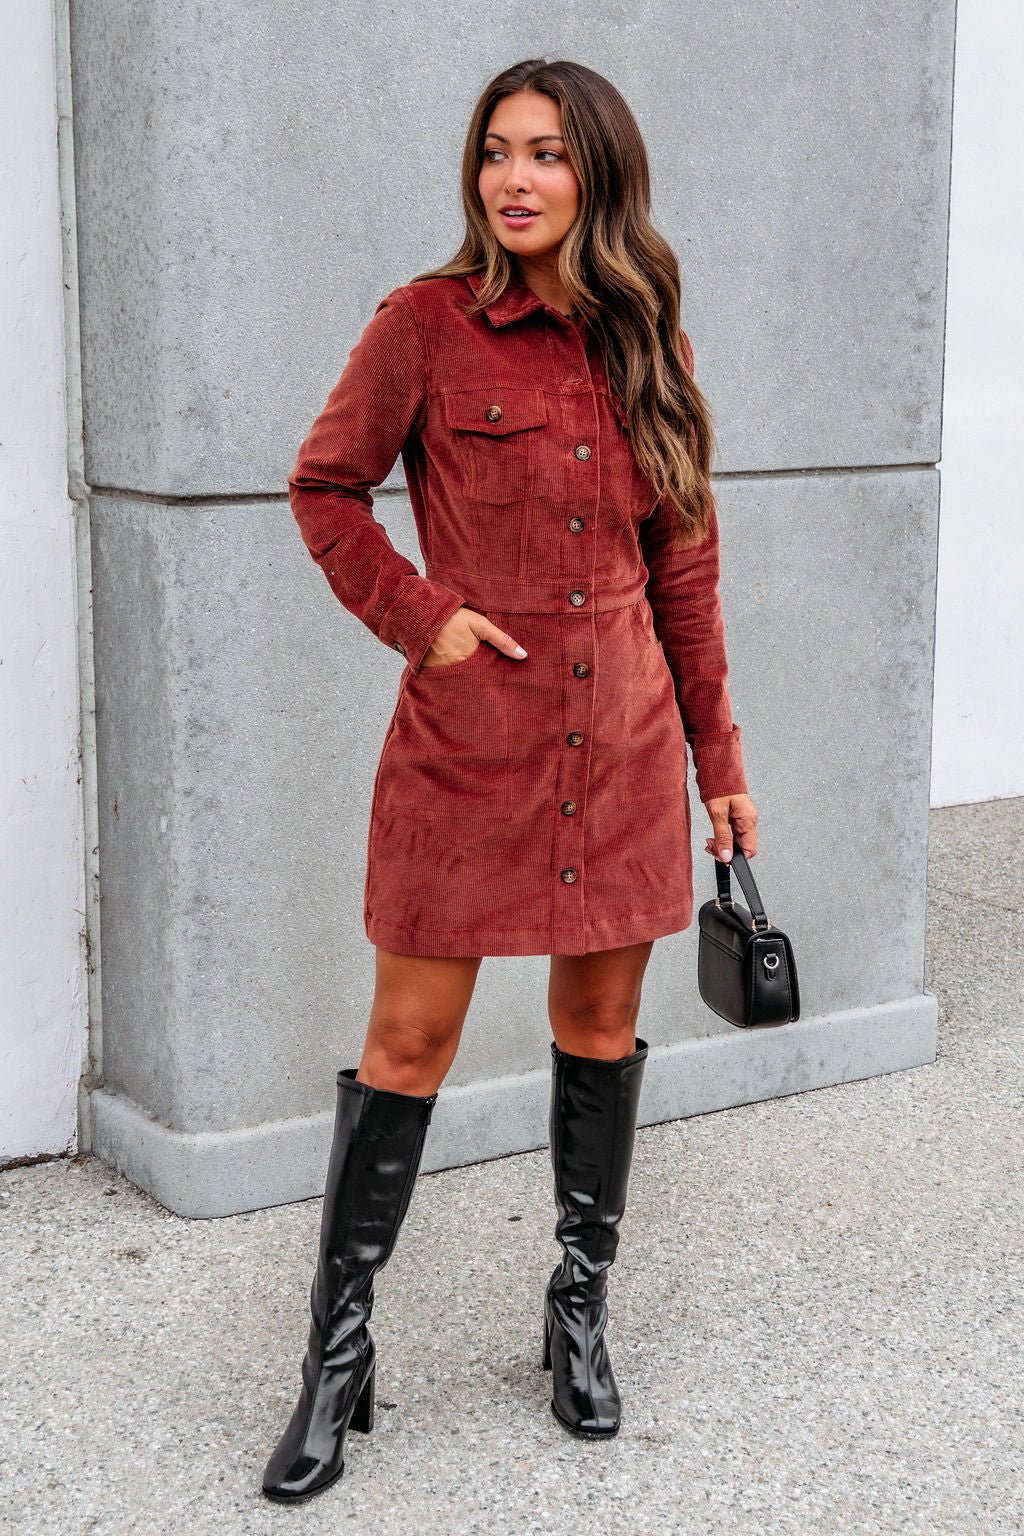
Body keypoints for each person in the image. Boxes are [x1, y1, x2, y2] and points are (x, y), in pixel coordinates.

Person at [261, 56, 758, 1504]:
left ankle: (577, 1311)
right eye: (495, 152)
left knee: (598, 1026)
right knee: (408, 1039)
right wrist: (423, 618)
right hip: (468, 749)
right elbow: (324, 487)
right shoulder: (423, 325)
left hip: (624, 748)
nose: (514, 179)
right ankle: (338, 1357)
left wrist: (720, 763)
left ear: (599, 173)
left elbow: (687, 570)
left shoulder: (649, 339)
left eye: (544, 152)